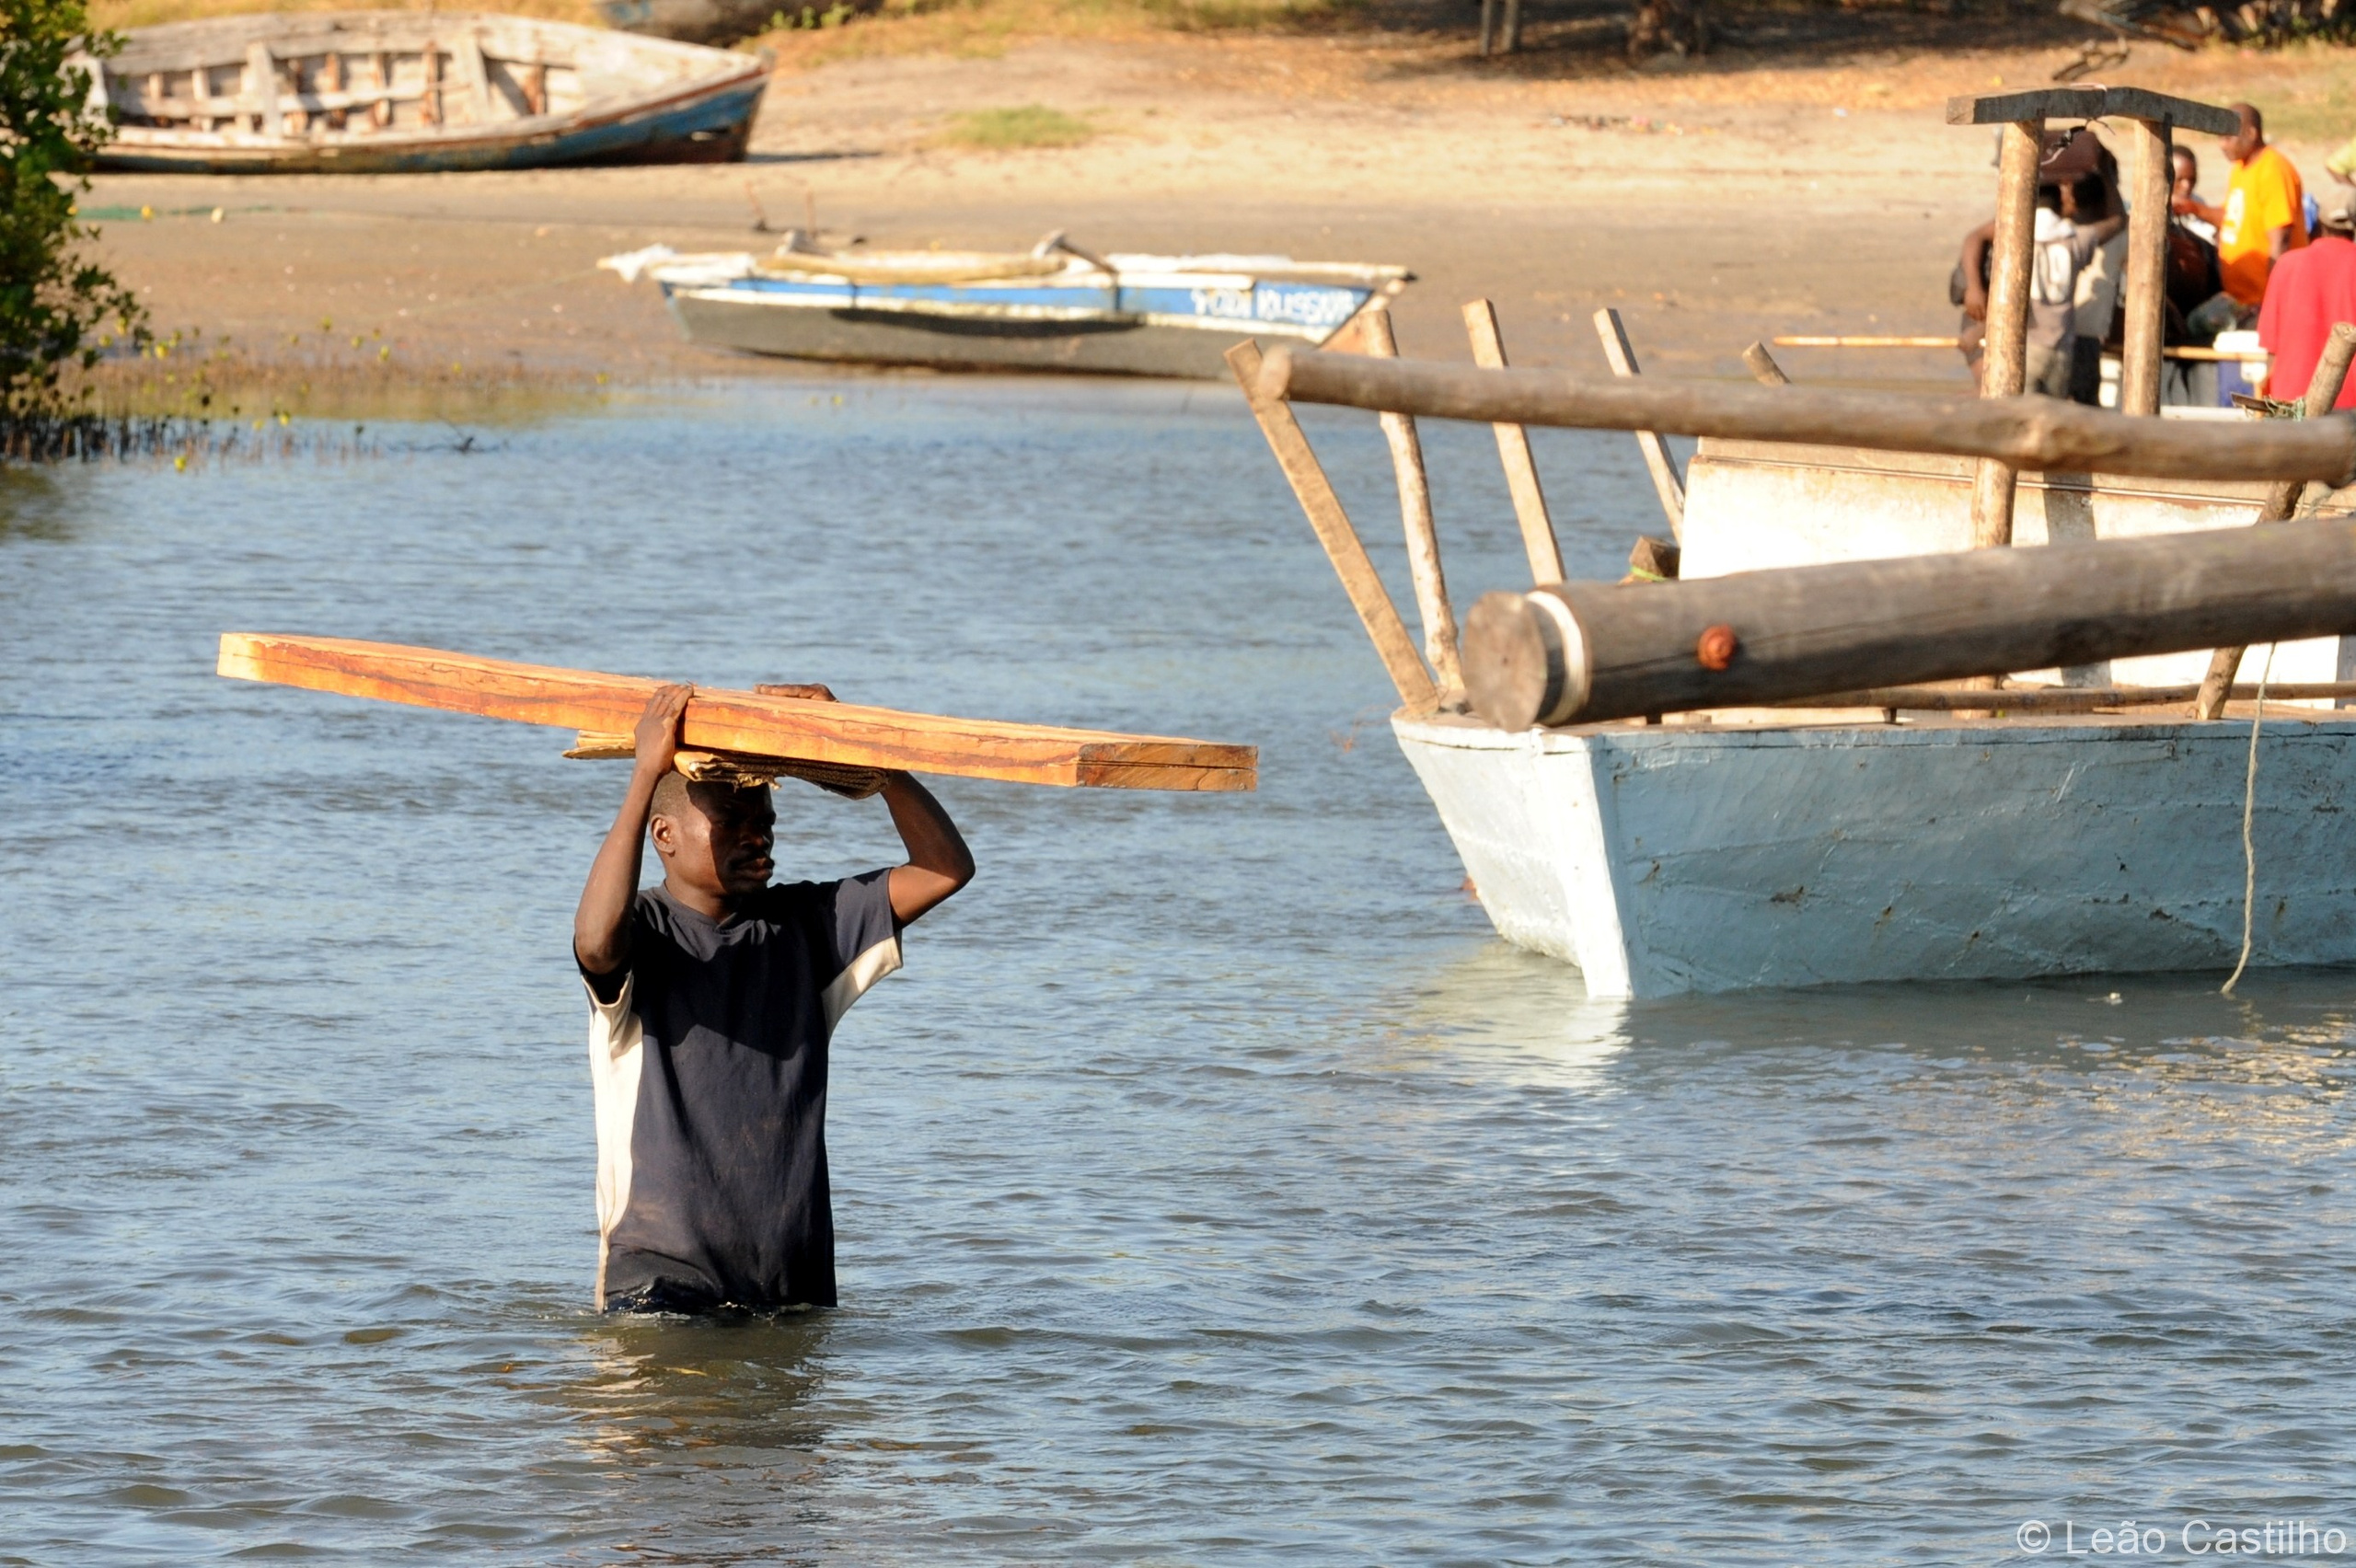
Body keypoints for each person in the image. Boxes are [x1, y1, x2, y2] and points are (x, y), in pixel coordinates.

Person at [572, 683, 976, 1314]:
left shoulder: (809, 927)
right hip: (661, 1280)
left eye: (765, 823)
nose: (756, 837)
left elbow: (946, 867)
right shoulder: (643, 934)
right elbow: (594, 941)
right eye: (732, 823)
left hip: (792, 1281)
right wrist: (645, 772)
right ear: (664, 835)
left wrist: (856, 749)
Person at [1958, 158, 2125, 399]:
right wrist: (2107, 174)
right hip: (2060, 349)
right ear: (2060, 205)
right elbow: (2117, 221)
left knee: (2014, 413)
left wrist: (1979, 319)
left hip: (2024, 347)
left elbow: (2020, 302)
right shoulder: (2075, 240)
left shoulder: (2016, 235)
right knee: (2051, 417)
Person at [2176, 101, 2305, 338]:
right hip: (2238, 296)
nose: (2221, 145)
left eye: (2227, 138)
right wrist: (2192, 208)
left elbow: (2280, 241)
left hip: (2261, 300)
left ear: (2251, 134)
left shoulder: (2273, 169)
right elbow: (2234, 218)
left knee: (2196, 325)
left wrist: (2273, 303)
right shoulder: (2241, 169)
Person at [2256, 182, 2356, 409]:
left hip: (2292, 405)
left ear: (2318, 220)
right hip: (2350, 409)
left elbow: (2271, 349)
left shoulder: (2287, 265)